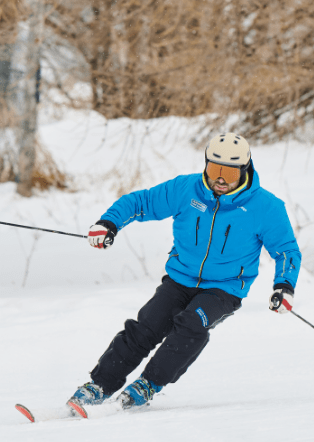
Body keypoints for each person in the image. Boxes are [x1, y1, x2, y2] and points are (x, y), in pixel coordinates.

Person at [67, 132, 301, 414]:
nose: (221, 180)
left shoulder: (265, 207)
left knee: (192, 324)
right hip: (179, 280)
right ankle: (99, 386)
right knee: (146, 328)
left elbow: (286, 250)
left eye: (230, 172)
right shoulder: (186, 190)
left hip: (225, 289)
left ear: (245, 169)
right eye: (215, 170)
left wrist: (284, 285)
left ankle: (148, 385)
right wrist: (109, 224)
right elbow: (140, 202)